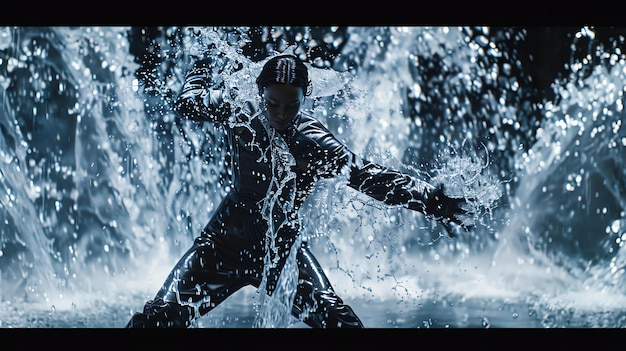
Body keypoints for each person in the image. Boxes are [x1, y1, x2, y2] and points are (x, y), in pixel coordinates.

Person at [126, 54, 471, 328]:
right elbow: (189, 102)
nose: (281, 114)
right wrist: (202, 63)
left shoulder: (313, 141)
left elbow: (369, 177)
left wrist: (431, 201)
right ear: (260, 93)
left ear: (304, 99)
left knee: (340, 323)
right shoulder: (238, 109)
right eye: (273, 103)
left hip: (282, 250)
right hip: (223, 243)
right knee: (155, 320)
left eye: (292, 106)